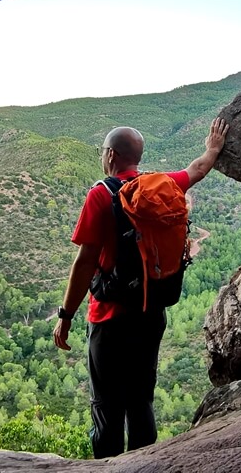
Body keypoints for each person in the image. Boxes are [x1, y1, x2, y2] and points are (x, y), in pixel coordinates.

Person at [52, 118, 229, 458]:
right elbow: (197, 170)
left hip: (109, 319)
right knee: (141, 401)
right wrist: (213, 148)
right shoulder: (161, 186)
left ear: (111, 155)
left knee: (106, 406)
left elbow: (84, 262)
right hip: (150, 313)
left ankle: (106, 466)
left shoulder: (100, 195)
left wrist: (66, 315)